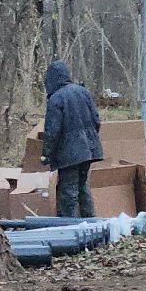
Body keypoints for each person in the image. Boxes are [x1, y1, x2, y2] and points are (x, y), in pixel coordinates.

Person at [42, 59, 104, 219]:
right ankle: (92, 224)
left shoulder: (56, 99)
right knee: (83, 187)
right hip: (89, 150)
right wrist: (89, 140)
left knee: (68, 191)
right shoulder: (83, 92)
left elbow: (52, 132)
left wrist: (46, 154)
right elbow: (96, 121)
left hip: (70, 154)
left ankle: (70, 228)